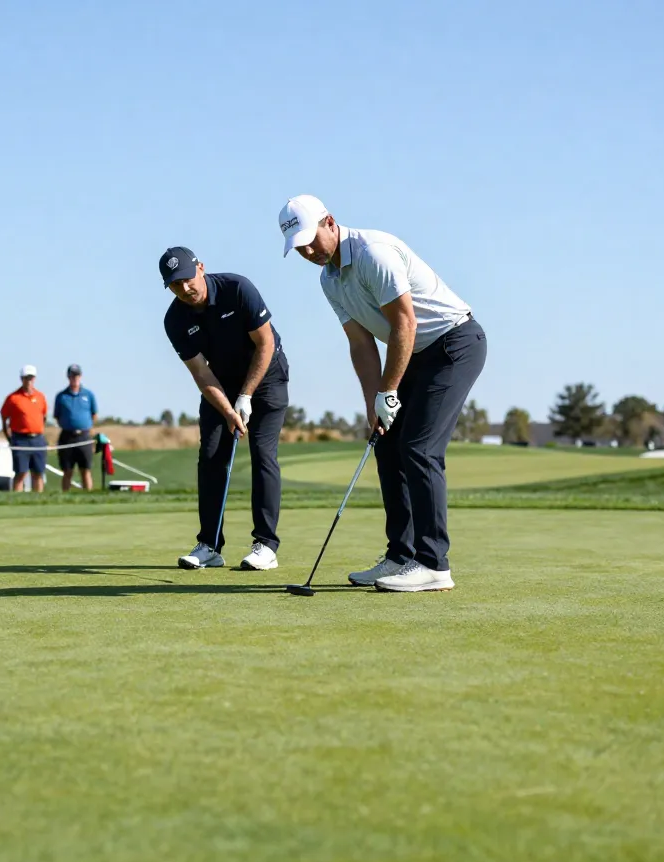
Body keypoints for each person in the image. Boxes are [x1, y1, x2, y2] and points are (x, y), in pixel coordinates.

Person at [280, 194, 487, 592]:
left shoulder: (373, 253)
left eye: (310, 240)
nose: (308, 251)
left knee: (419, 448)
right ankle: (401, 555)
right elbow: (360, 345)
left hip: (452, 344)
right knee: (387, 444)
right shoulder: (328, 280)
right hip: (413, 353)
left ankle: (434, 564)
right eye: (299, 247)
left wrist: (388, 390)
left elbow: (404, 324)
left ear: (330, 222)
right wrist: (373, 404)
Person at [161, 247, 289, 571]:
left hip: (266, 375)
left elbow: (265, 344)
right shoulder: (175, 320)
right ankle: (209, 546)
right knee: (211, 456)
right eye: (175, 284)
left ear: (201, 268)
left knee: (262, 452)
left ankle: (265, 546)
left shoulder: (237, 289)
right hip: (220, 383)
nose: (184, 288)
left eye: (187, 279)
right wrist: (230, 411)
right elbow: (201, 374)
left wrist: (246, 395)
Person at [1, 365, 48, 493]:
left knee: (38, 473)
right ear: (22, 379)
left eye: (31, 378)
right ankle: (18, 500)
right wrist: (10, 437)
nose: (29, 381)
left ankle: (38, 500)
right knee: (21, 472)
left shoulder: (40, 397)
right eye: (26, 378)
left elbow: (44, 416)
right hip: (20, 439)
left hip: (37, 439)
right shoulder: (13, 398)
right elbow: (4, 419)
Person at [54, 364, 98, 492]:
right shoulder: (61, 396)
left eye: (77, 375)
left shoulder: (88, 395)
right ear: (68, 377)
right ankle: (65, 497)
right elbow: (57, 416)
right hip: (67, 436)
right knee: (67, 471)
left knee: (85, 470)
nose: (74, 378)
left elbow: (94, 414)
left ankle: (88, 496)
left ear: (81, 376)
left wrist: (86, 427)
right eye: (72, 375)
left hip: (84, 436)